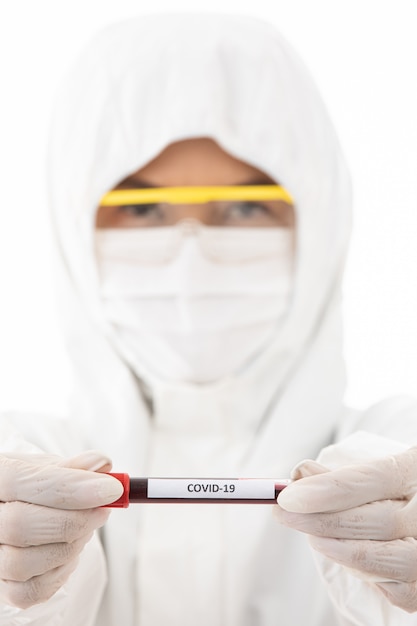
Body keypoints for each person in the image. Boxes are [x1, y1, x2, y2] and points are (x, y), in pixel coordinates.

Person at [1, 12, 417, 626]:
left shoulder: (398, 450)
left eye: (246, 205)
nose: (191, 252)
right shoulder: (16, 458)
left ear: (322, 224)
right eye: (141, 209)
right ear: (72, 227)